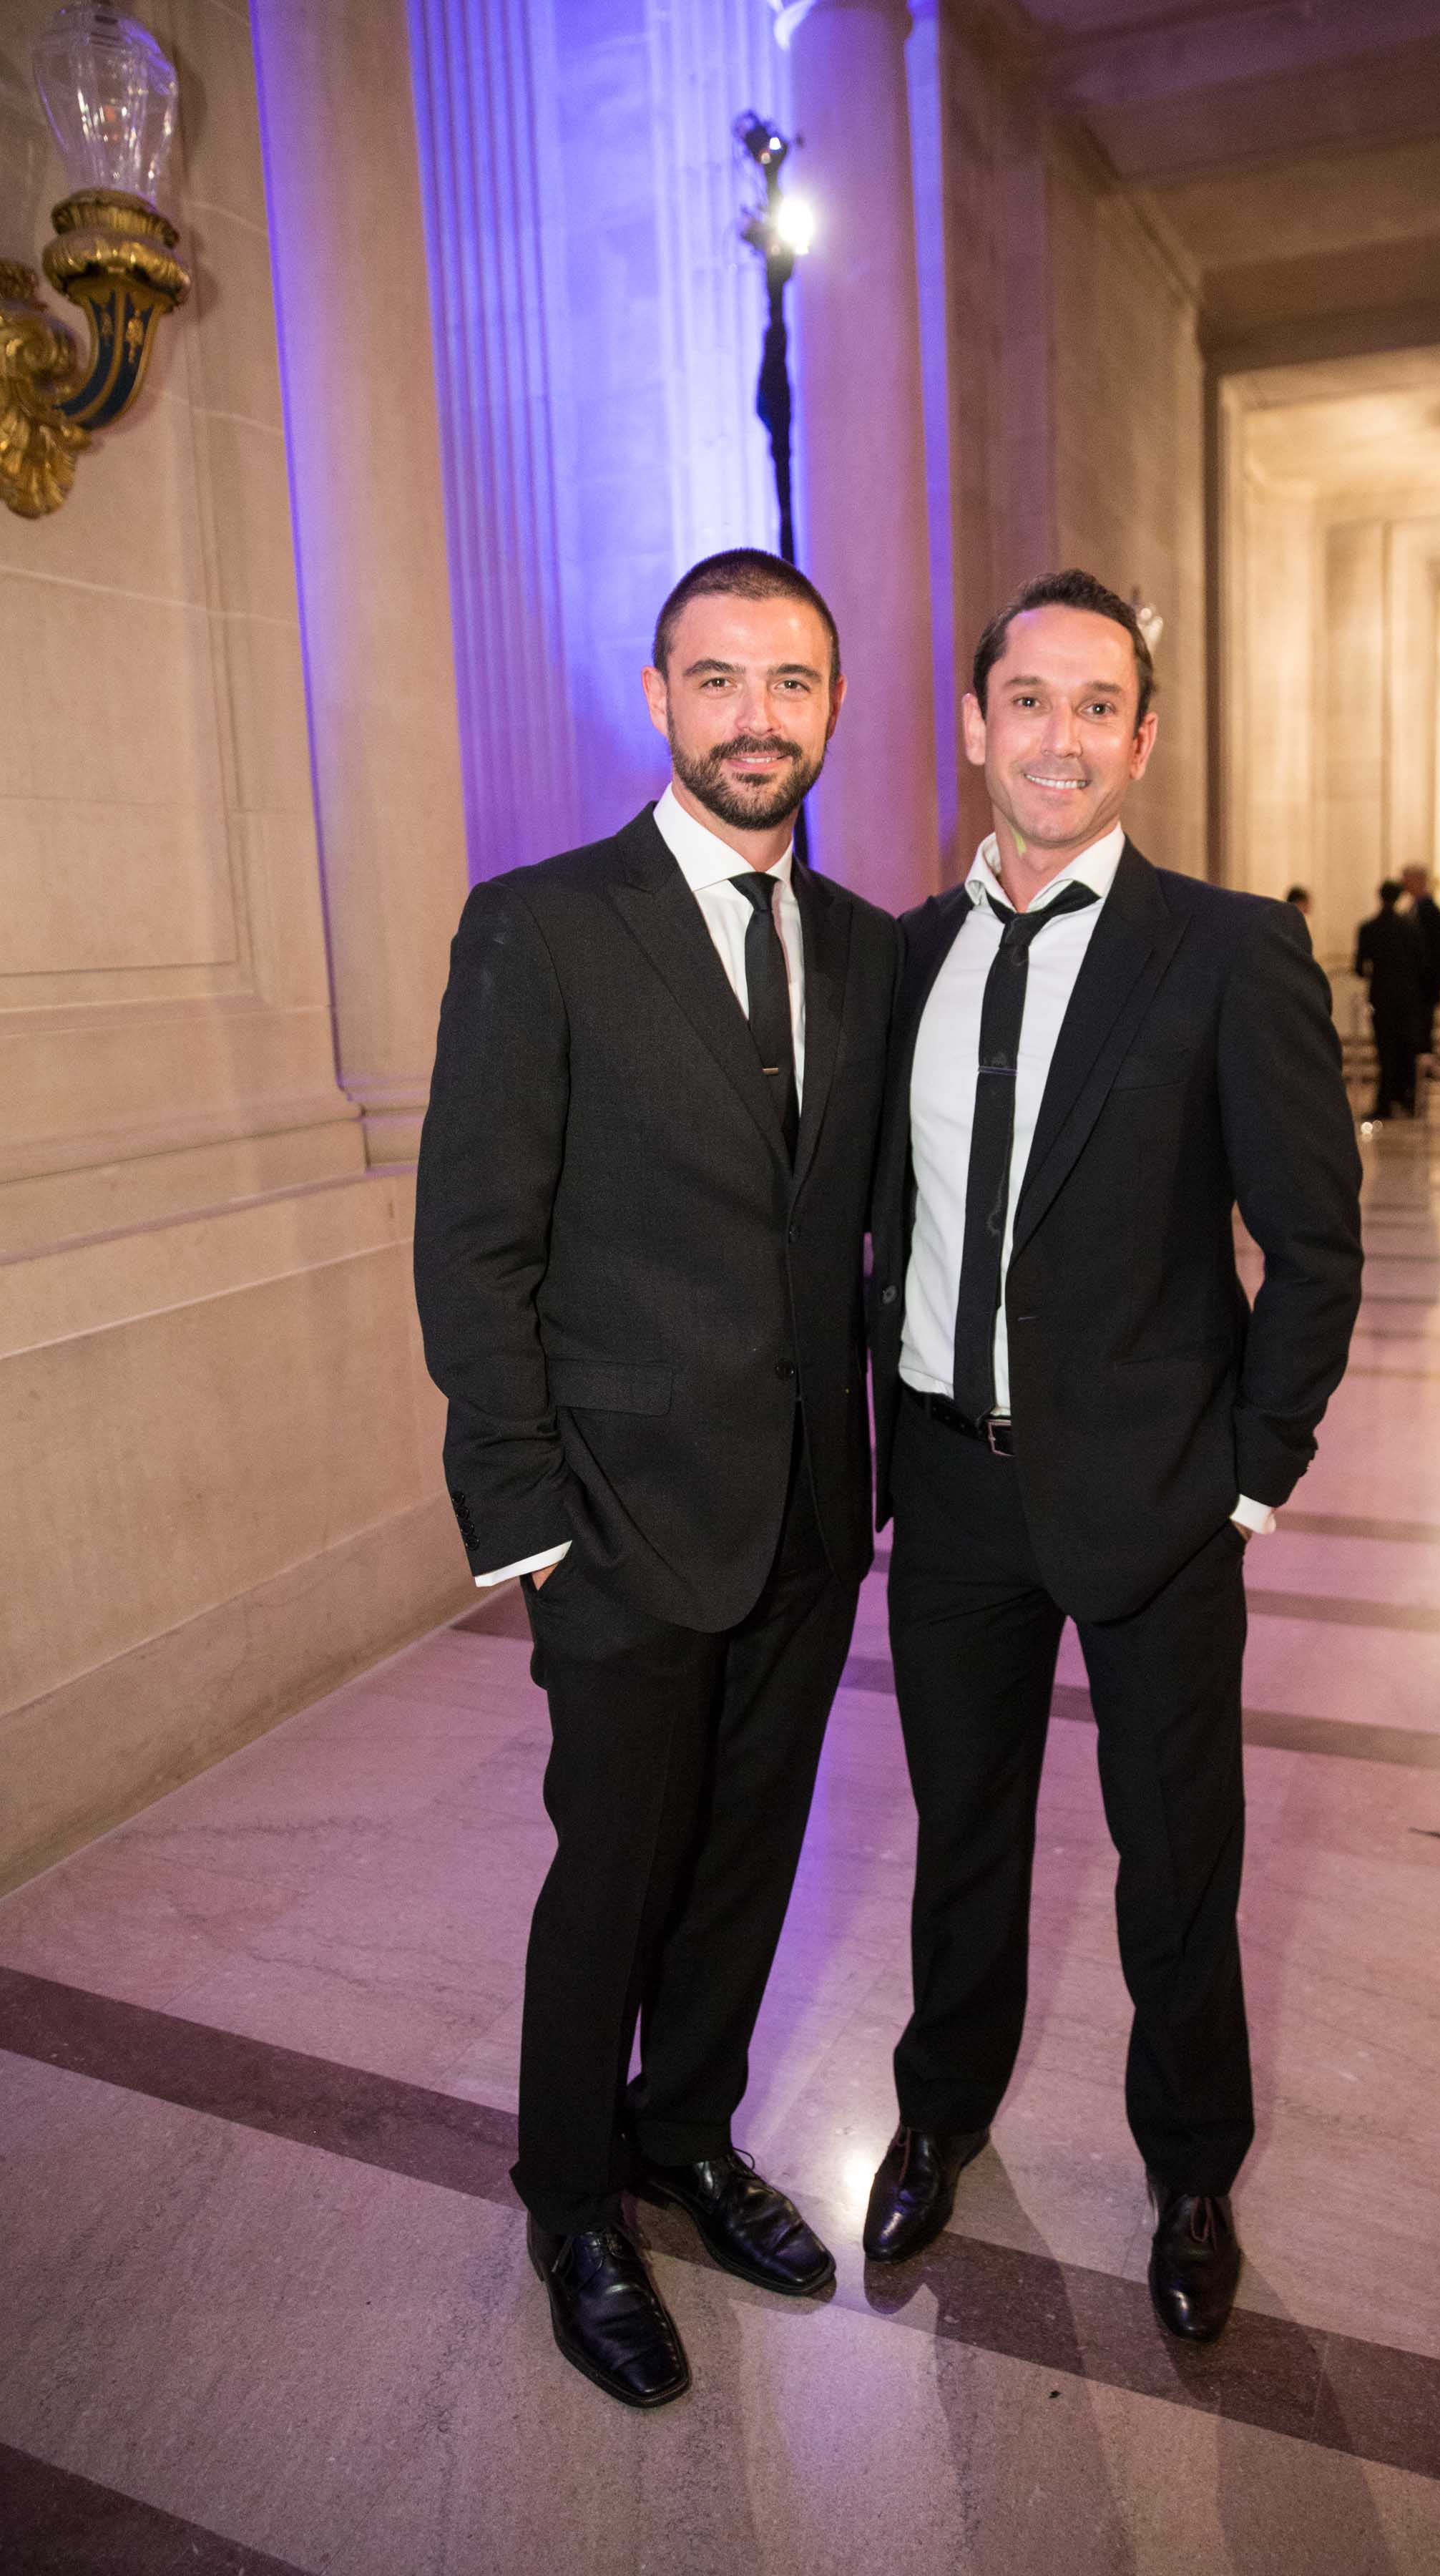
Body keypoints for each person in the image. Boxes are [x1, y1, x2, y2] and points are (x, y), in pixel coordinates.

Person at [415, 550, 899, 2409]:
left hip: (803, 1518)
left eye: (791, 683)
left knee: (748, 1864)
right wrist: (523, 1518)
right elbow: (479, 1246)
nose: (756, 717)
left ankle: (683, 2135)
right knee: (610, 1874)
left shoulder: (865, 945)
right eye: (719, 680)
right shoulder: (542, 927)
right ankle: (570, 2203)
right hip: (615, 1524)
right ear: (657, 697)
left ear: (833, 707)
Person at [863, 569, 1363, 2343]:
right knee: (960, 1836)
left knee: (1173, 1857)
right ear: (976, 725)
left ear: (1137, 739)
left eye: (1095, 704)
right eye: (1026, 700)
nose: (1056, 735)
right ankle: (938, 2111)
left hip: (1152, 1496)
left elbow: (1311, 1240)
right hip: (946, 1486)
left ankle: (1189, 2166)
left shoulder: (1224, 949)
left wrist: (1248, 1472)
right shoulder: (901, 954)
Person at [1354, 879, 1424, 1121]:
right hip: (1407, 999)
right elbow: (1421, 964)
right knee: (1406, 1049)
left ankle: (1385, 1103)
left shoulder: (1369, 928)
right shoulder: (1411, 928)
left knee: (1385, 1053)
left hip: (1382, 998)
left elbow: (1360, 968)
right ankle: (1409, 1101)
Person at [1400, 864, 1440, 1050]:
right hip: (1413, 987)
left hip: (1424, 986)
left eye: (1407, 880)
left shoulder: (1432, 912)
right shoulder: (1410, 911)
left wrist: (1436, 984)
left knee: (1423, 1033)